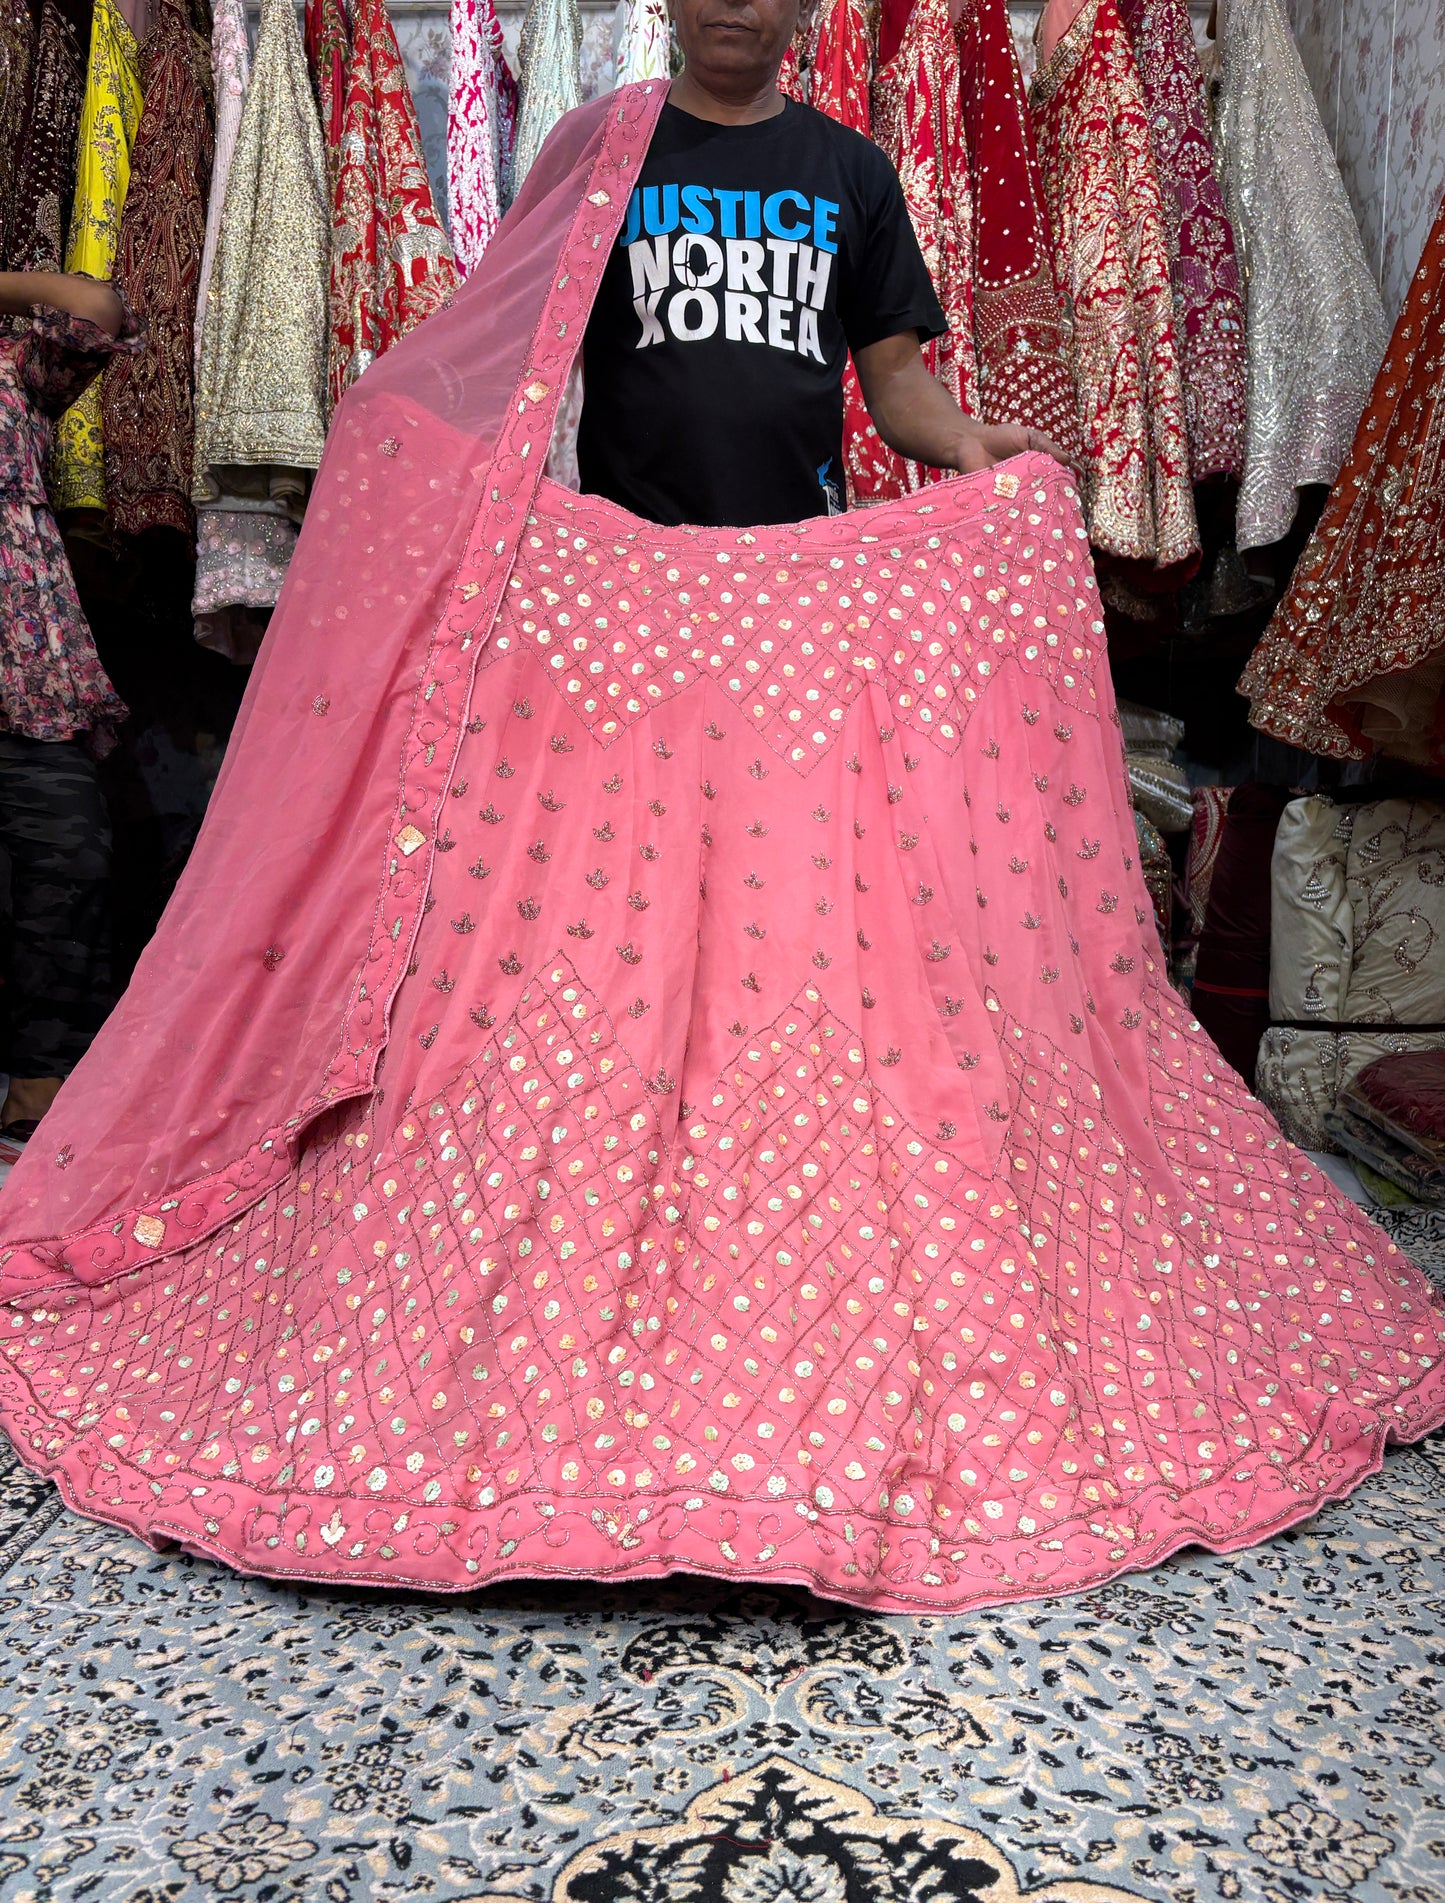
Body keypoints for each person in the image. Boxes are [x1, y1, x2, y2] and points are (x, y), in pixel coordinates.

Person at [0, 14, 1441, 1617]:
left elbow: (896, 394)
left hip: (799, 625)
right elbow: (509, 359)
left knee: (792, 967)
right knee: (593, 969)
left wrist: (988, 467)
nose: (742, 11)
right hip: (622, 617)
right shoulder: (603, 149)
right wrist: (406, 471)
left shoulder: (849, 172)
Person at [578, 0, 1064, 528]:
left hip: (798, 567)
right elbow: (519, 348)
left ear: (807, 8)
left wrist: (963, 437)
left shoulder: (855, 171)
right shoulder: (596, 151)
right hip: (626, 563)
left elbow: (896, 375)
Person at [0, 271, 132, 1148]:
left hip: (28, 668)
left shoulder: (12, 365)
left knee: (72, 862)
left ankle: (39, 1084)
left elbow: (100, 311)